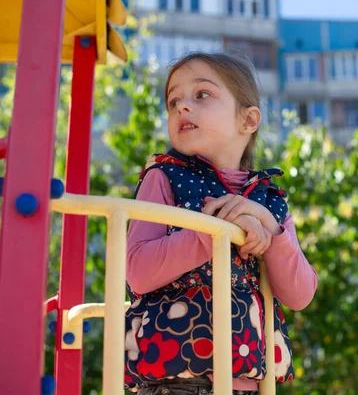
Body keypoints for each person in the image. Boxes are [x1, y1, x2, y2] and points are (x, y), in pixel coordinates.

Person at [123, 52, 318, 394]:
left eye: (201, 95)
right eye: (173, 101)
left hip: (247, 379)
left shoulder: (268, 200)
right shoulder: (164, 176)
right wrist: (217, 232)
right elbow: (138, 271)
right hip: (176, 372)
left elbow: (299, 294)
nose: (182, 106)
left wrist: (270, 231)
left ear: (248, 120)